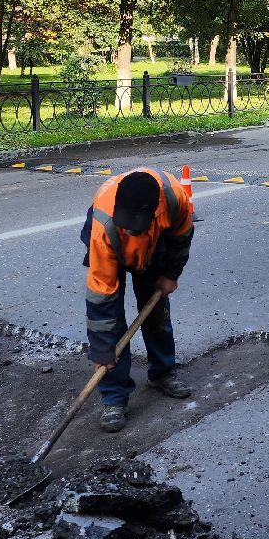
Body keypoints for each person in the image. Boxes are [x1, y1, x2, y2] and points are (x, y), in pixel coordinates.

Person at [83, 168, 196, 433]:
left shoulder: (173, 198)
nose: (129, 230)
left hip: (155, 246)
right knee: (112, 326)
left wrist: (170, 274)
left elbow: (182, 238)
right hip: (111, 247)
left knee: (156, 311)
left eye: (135, 227)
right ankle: (114, 396)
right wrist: (102, 350)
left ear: (155, 210)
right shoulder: (104, 226)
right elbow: (101, 296)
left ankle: (162, 372)